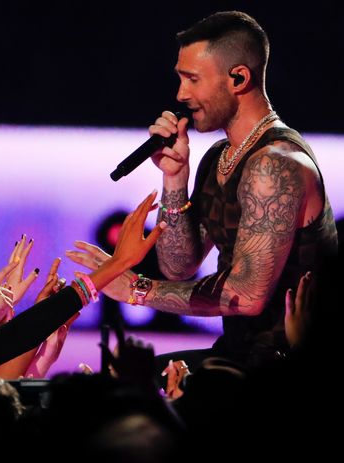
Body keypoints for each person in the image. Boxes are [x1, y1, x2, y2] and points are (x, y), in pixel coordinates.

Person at [68, 11, 337, 372]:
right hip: (240, 355)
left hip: (288, 364)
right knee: (119, 379)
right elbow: (179, 267)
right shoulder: (219, 157)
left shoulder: (276, 165)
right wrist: (175, 177)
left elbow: (246, 296)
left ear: (238, 78)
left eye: (192, 79)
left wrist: (137, 289)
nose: (181, 94)